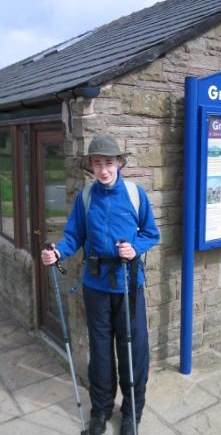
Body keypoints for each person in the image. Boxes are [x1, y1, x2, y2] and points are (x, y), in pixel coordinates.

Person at [41, 136, 160, 435]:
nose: (103, 169)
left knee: (133, 350)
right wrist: (57, 251)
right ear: (91, 166)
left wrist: (134, 247)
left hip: (129, 284)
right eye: (97, 163)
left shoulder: (135, 194)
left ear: (119, 162)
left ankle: (132, 413)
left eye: (109, 163)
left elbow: (151, 233)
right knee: (101, 351)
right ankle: (101, 411)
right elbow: (73, 236)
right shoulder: (86, 198)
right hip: (95, 285)